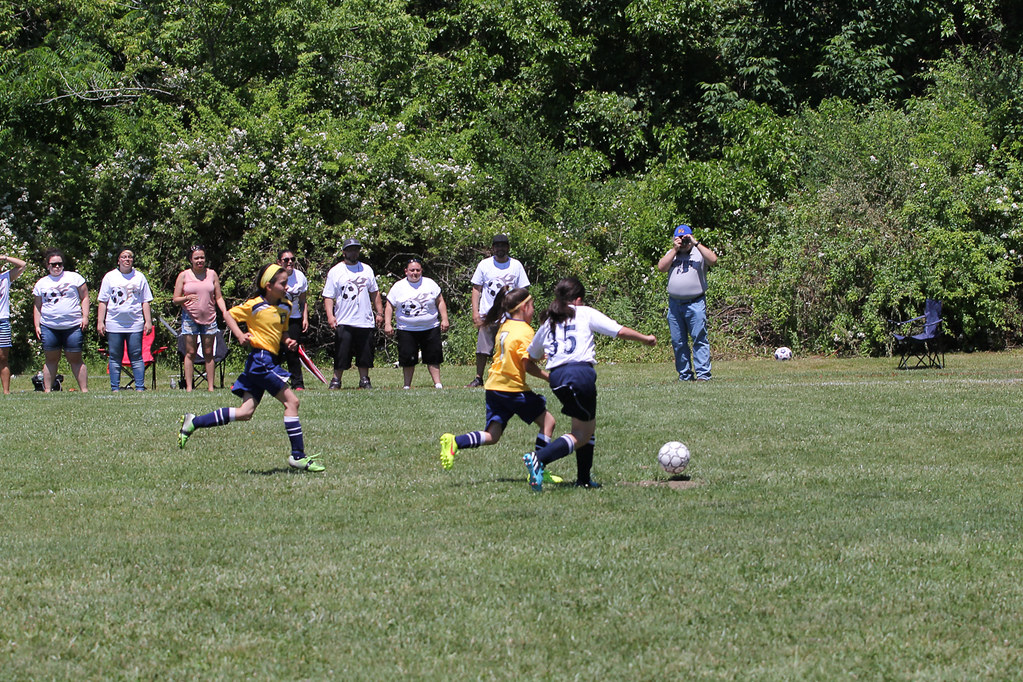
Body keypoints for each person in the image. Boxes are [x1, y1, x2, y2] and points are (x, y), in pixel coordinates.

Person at [178, 263, 324, 472]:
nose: (287, 287)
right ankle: (298, 455)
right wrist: (239, 335)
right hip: (260, 360)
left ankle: (194, 422)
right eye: (283, 283)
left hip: (266, 360)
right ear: (268, 285)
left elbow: (281, 332)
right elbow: (228, 315)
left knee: (246, 412)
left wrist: (287, 340)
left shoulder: (286, 306)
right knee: (292, 401)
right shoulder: (254, 305)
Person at [523, 277, 656, 491]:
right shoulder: (584, 312)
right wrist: (646, 339)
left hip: (557, 378)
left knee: (584, 427)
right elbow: (619, 331)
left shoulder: (549, 321)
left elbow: (528, 360)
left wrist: (547, 375)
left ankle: (583, 479)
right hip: (580, 374)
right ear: (577, 300)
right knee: (582, 434)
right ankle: (539, 457)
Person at [439, 287, 560, 482]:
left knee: (492, 436)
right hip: (512, 388)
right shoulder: (525, 331)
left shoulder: (506, 325)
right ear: (524, 307)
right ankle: (540, 469)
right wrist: (548, 377)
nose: (534, 310)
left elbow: (516, 355)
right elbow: (526, 365)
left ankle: (455, 442)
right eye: (532, 306)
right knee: (548, 422)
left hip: (494, 386)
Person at [656, 224, 718, 382]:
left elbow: (713, 260)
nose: (683, 242)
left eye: (685, 238)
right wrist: (675, 249)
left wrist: (695, 243)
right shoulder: (672, 254)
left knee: (699, 338)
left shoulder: (699, 252)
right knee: (678, 341)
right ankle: (685, 375)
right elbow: (661, 268)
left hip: (695, 303)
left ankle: (703, 375)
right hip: (675, 305)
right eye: (679, 238)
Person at [467, 233, 530, 387]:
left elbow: (524, 290)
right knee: (483, 348)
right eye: (497, 246)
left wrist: (522, 312)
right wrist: (475, 312)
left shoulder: (516, 265)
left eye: (503, 245)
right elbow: (476, 289)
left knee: (508, 347)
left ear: (508, 247)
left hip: (510, 316)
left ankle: (508, 376)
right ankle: (478, 378)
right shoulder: (484, 265)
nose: (500, 248)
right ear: (493, 248)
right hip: (487, 314)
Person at [322, 237, 383, 389]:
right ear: (344, 252)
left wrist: (380, 313)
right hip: (344, 319)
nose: (353, 252)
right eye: (350, 250)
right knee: (342, 352)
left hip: (365, 319)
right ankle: (336, 380)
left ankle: (364, 379)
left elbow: (374, 293)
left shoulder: (367, 269)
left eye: (356, 249)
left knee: (365, 352)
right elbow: (328, 296)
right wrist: (330, 316)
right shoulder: (336, 271)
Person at [384, 258, 450, 389]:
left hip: (430, 327)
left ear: (421, 271)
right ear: (406, 271)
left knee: (433, 357)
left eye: (417, 270)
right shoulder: (398, 286)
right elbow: (389, 306)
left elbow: (440, 301)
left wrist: (445, 319)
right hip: (406, 328)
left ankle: (438, 384)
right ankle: (407, 385)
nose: (415, 273)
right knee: (407, 358)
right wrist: (387, 323)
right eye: (412, 270)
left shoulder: (430, 284)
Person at [172, 245, 229, 392]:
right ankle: (189, 387)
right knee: (190, 352)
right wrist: (186, 298)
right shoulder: (184, 276)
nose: (199, 260)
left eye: (202, 257)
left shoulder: (212, 274)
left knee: (209, 353)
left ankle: (211, 387)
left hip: (209, 318)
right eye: (196, 258)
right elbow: (175, 299)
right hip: (190, 318)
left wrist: (225, 312)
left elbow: (219, 297)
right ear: (191, 259)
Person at [32, 248, 89, 392]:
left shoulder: (74, 278)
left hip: (73, 325)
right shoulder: (41, 283)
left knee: (75, 359)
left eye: (60, 264)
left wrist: (85, 316)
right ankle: (47, 391)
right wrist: (37, 325)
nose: (57, 267)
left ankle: (84, 390)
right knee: (51, 359)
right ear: (47, 266)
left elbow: (85, 297)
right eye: (53, 264)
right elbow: (37, 306)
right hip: (49, 326)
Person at [97, 248, 154, 391]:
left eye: (130, 257)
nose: (127, 259)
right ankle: (114, 388)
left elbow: (145, 300)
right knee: (115, 356)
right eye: (124, 257)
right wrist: (100, 321)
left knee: (136, 355)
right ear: (119, 260)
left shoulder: (139, 277)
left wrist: (148, 321)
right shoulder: (110, 277)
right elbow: (103, 301)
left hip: (135, 323)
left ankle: (140, 387)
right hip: (114, 323)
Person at [277, 249, 309, 391]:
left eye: (292, 259)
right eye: (286, 260)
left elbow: (303, 300)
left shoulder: (300, 277)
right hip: (276, 319)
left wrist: (305, 317)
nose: (290, 262)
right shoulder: (274, 276)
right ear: (279, 262)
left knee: (293, 350)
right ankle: (273, 381)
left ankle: (297, 383)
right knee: (274, 351)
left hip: (294, 317)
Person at [0, 253, 28, 394]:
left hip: (2, 321)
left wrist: (4, 257)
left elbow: (22, 265)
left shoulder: (5, 277)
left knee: (3, 358)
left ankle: (6, 391)